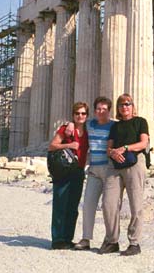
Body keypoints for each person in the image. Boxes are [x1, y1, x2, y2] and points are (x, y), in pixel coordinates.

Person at [100, 94, 149, 256]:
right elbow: (108, 148)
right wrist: (113, 152)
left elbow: (144, 143)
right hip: (115, 165)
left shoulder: (140, 122)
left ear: (132, 106)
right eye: (121, 105)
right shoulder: (115, 126)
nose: (124, 107)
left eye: (127, 104)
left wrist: (125, 148)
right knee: (109, 203)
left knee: (136, 204)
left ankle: (134, 242)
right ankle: (112, 241)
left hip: (134, 163)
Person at [73, 96, 115, 251]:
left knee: (108, 206)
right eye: (98, 109)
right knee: (88, 204)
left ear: (109, 111)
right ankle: (86, 239)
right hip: (94, 170)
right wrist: (70, 124)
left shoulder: (114, 126)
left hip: (110, 170)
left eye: (104, 109)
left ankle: (110, 239)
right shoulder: (90, 124)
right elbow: (78, 123)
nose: (101, 112)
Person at [48, 102, 89, 250]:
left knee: (72, 206)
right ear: (73, 115)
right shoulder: (66, 129)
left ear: (87, 116)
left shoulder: (88, 131)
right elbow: (52, 146)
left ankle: (67, 238)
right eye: (77, 113)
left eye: (83, 113)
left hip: (78, 171)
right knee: (60, 204)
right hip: (64, 170)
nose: (80, 116)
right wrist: (69, 145)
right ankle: (58, 239)